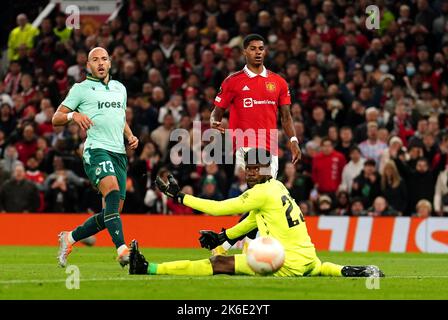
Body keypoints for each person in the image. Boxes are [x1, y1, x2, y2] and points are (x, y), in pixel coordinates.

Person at [128, 148, 384, 278]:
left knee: (218, 264)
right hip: (307, 257)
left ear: (266, 170)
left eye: (255, 168)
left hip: (285, 262)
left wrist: (180, 196)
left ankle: (148, 269)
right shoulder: (277, 187)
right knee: (317, 268)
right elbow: (252, 220)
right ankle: (354, 271)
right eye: (248, 168)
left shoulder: (261, 192)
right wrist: (223, 237)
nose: (250, 172)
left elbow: (219, 208)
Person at [209, 34, 301, 254]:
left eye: (261, 48)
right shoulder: (233, 81)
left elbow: (286, 117)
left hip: (271, 147)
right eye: (253, 48)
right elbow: (217, 112)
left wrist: (294, 140)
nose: (258, 52)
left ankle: (228, 244)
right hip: (246, 145)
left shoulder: (278, 82)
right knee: (258, 198)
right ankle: (237, 245)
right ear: (244, 52)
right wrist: (214, 122)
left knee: (259, 201)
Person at [52, 47, 139, 268]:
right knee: (111, 190)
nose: (100, 63)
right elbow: (56, 118)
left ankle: (69, 238)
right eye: (95, 60)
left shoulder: (120, 88)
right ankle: (121, 250)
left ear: (110, 63)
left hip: (119, 154)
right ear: (88, 65)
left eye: (104, 59)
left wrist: (129, 135)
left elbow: (119, 117)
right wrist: (74, 115)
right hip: (96, 150)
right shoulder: (81, 89)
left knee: (112, 212)